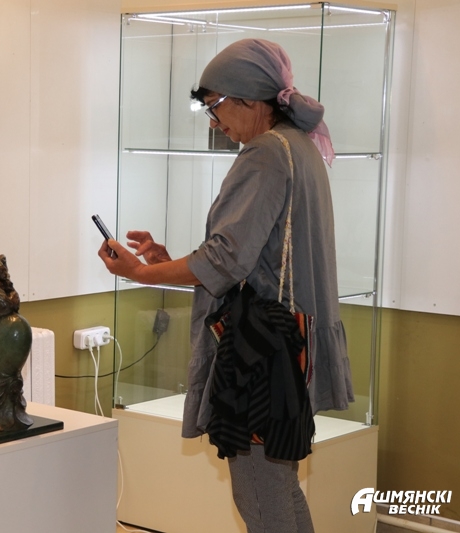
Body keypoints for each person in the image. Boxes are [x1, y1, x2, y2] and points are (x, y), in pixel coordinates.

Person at [98, 39, 354, 533]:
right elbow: (248, 257)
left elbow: (225, 259)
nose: (214, 122)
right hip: (290, 347)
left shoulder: (265, 153)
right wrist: (168, 263)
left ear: (249, 100)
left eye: (215, 107)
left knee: (259, 494)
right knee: (280, 487)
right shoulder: (298, 146)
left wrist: (140, 273)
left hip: (262, 353)